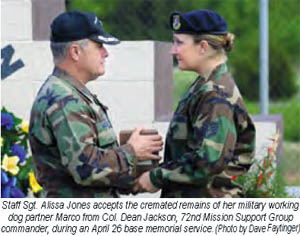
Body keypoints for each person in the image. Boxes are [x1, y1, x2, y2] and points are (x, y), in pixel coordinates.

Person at [29, 10, 163, 198]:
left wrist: (134, 173)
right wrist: (132, 151)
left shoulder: (71, 93)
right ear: (75, 52)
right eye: (99, 46)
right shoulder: (63, 99)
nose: (106, 53)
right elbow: (86, 169)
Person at [134, 10, 256, 197]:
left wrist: (156, 176)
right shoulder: (205, 86)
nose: (172, 50)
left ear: (203, 47)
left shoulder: (215, 94)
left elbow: (207, 162)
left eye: (179, 43)